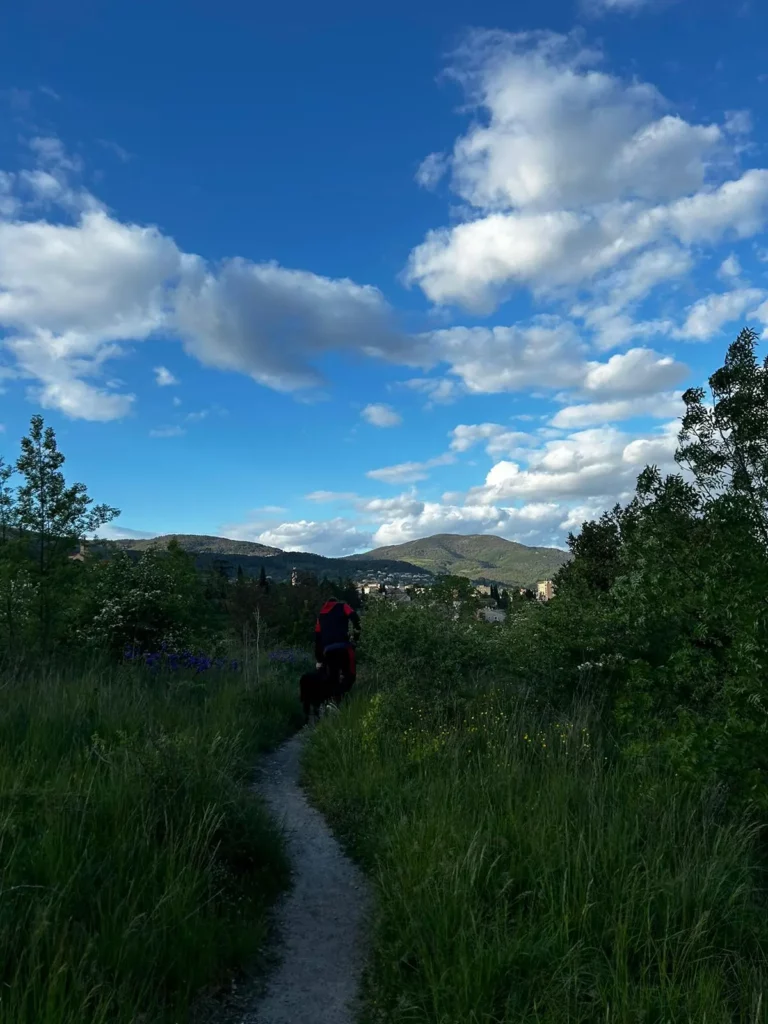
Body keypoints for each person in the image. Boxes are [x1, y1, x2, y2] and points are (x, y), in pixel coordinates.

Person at [314, 596, 361, 705]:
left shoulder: (320, 615)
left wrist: (319, 659)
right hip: (344, 647)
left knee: (332, 677)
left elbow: (317, 638)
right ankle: (341, 696)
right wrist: (356, 637)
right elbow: (355, 618)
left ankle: (331, 701)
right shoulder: (343, 606)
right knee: (350, 674)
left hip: (328, 651)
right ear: (336, 602)